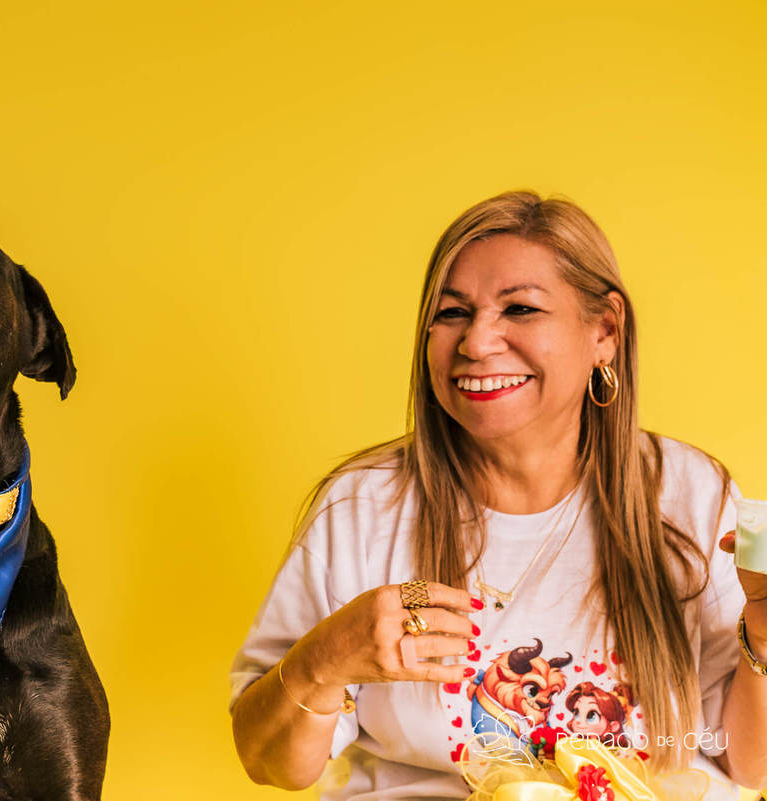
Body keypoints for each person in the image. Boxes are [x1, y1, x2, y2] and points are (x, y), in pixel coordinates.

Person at [229, 191, 767, 800]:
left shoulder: (692, 497)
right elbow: (268, 762)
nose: (476, 343)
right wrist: (324, 658)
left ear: (605, 331)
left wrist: (764, 640)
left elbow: (749, 766)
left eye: (520, 309)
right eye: (453, 313)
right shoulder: (359, 509)